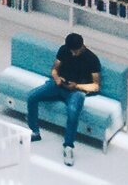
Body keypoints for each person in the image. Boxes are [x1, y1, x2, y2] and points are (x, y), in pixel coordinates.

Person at [23, 32, 102, 167]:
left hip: (77, 91)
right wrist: (57, 78)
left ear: (82, 46)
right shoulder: (64, 50)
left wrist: (76, 86)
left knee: (73, 112)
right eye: (71, 51)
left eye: (75, 51)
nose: (73, 54)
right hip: (59, 85)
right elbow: (54, 69)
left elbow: (96, 86)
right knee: (32, 97)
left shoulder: (92, 59)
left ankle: (68, 146)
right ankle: (34, 132)